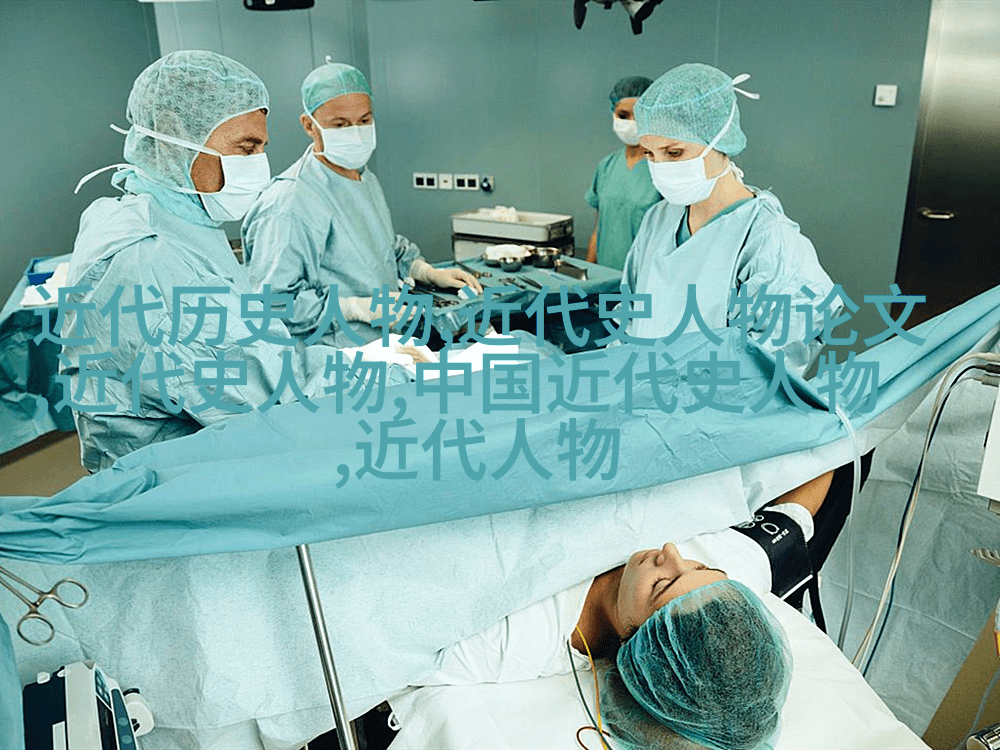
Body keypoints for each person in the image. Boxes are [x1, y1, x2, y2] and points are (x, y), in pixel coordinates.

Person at [61, 51, 355, 472]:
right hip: (168, 482)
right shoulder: (148, 257)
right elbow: (276, 392)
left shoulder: (165, 219)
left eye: (261, 149)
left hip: (195, 457)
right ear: (175, 135)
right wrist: (388, 370)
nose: (259, 166)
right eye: (246, 148)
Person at [420, 472, 833, 749]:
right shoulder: (730, 576)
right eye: (699, 568)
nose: (671, 553)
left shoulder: (496, 642)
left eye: (662, 585)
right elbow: (796, 512)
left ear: (635, 645)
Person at [242, 62, 481, 348]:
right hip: (332, 355)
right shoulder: (290, 201)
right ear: (309, 125)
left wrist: (425, 272)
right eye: (340, 125)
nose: (355, 133)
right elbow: (274, 304)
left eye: (364, 120)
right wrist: (354, 308)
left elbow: (380, 249)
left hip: (385, 344)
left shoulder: (363, 178)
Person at [623, 63, 837, 377]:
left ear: (719, 139)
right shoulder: (659, 218)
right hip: (643, 392)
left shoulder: (768, 241)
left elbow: (761, 370)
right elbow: (630, 320)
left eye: (674, 152)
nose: (660, 167)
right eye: (650, 154)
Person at [585, 76, 662, 271]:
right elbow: (598, 230)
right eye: (623, 115)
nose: (631, 122)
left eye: (639, 115)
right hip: (605, 277)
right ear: (613, 113)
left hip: (644, 278)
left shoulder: (663, 168)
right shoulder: (606, 166)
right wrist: (587, 274)